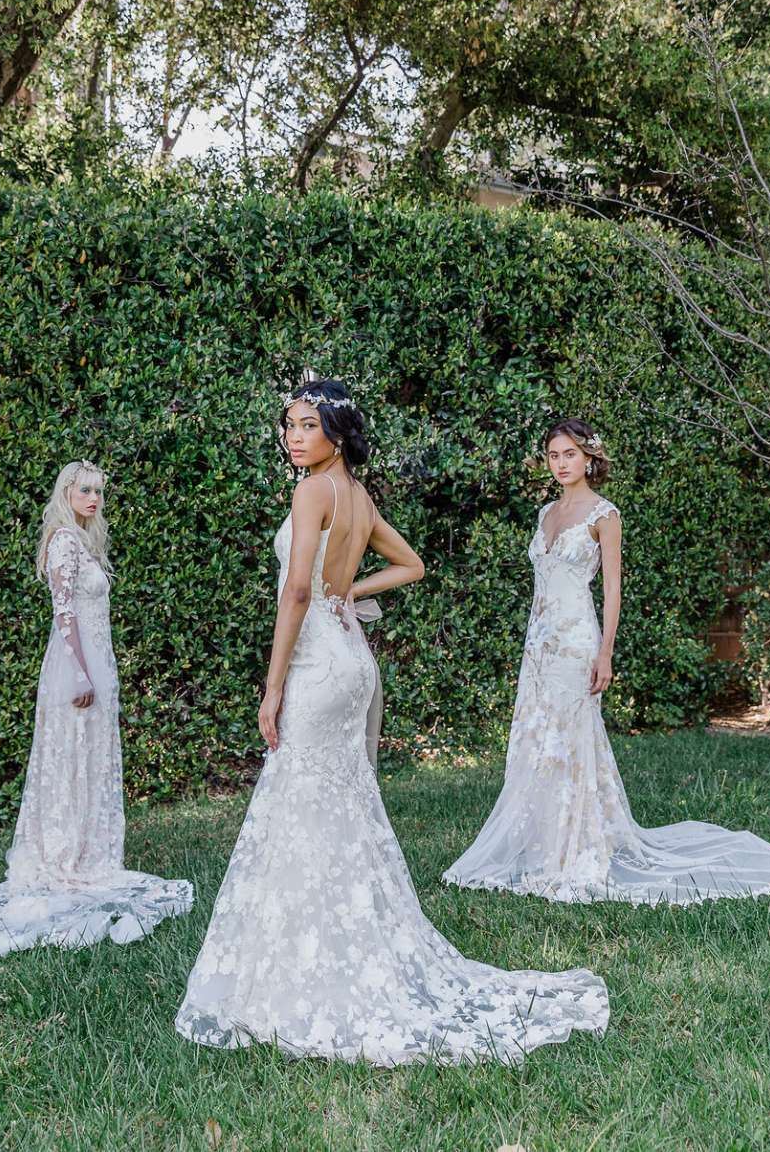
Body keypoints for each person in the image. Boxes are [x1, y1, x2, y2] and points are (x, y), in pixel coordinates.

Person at [175, 382, 608, 1064]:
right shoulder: (359, 496)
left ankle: (302, 962)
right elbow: (410, 566)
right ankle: (334, 936)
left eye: (307, 425)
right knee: (340, 800)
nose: (293, 436)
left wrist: (271, 682)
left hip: (320, 663)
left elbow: (294, 592)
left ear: (337, 434)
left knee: (302, 798)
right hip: (354, 659)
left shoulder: (314, 492)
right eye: (287, 425)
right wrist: (348, 592)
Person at [443, 419, 770, 906]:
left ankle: (578, 850)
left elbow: (612, 588)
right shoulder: (546, 513)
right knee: (537, 737)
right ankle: (546, 845)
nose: (561, 463)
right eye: (553, 455)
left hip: (576, 640)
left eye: (569, 454)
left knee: (572, 737)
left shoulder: (604, 514)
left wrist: (604, 651)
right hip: (539, 643)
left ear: (589, 458)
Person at [0, 460, 192, 958]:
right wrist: (79, 673)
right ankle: (62, 852)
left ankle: (90, 850)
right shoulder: (64, 542)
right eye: (85, 490)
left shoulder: (86, 541)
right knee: (69, 756)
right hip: (77, 666)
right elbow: (63, 612)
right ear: (67, 493)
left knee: (91, 757)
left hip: (98, 661)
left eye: (99, 491)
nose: (94, 498)